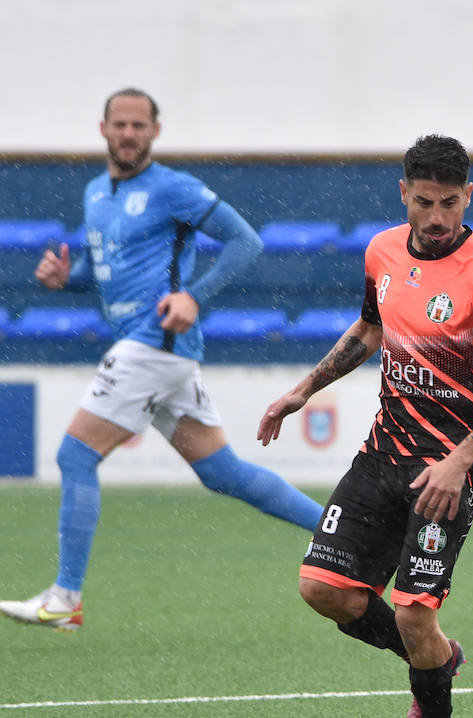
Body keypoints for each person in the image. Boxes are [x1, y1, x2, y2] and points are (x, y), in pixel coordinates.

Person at [0, 88, 322, 633]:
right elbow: (108, 277)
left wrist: (196, 295)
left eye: (139, 125)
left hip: (155, 344)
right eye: (120, 124)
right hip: (152, 351)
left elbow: (247, 242)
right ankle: (343, 531)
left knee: (75, 457)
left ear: (155, 131)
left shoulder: (172, 187)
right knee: (225, 473)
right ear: (103, 128)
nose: (129, 133)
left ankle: (65, 597)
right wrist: (68, 280)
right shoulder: (95, 194)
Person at [257, 135, 473, 718]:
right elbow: (370, 331)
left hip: (448, 467)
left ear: (469, 197)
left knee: (412, 614)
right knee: (323, 589)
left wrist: (459, 463)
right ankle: (436, 660)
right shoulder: (382, 250)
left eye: (450, 203)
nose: (437, 218)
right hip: (383, 452)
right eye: (425, 202)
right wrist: (304, 388)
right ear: (403, 193)